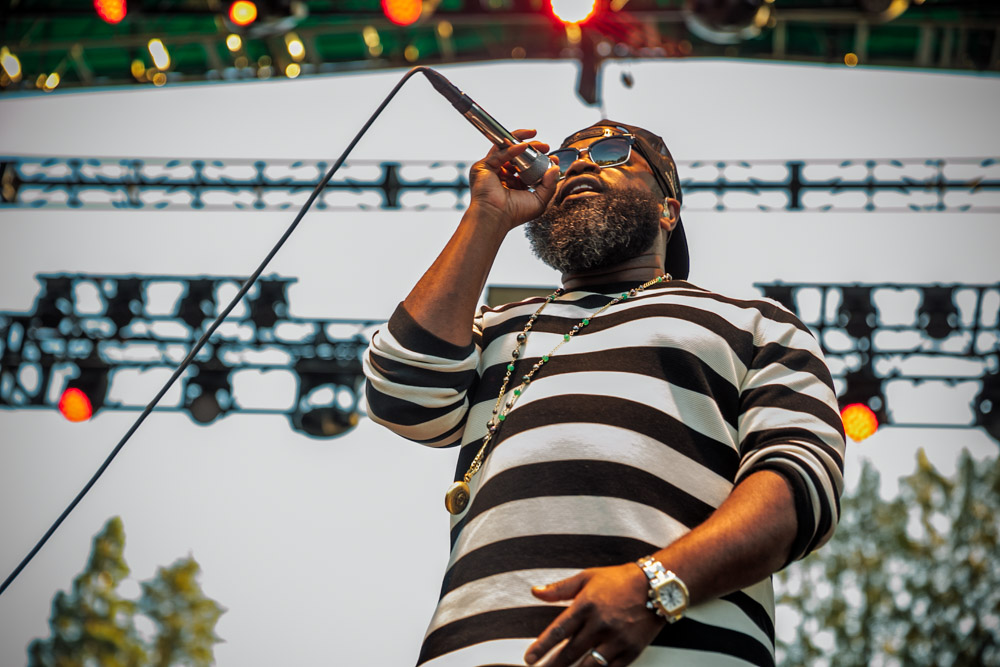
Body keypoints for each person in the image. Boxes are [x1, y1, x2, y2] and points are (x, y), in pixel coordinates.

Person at [363, 121, 846, 667]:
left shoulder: (754, 324)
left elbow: (799, 487)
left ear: (669, 210)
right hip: (474, 651)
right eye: (565, 160)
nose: (581, 165)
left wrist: (657, 586)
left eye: (614, 151)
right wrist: (487, 217)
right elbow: (402, 394)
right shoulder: (496, 326)